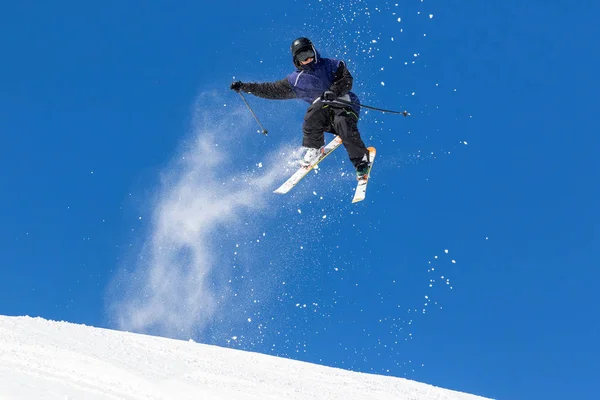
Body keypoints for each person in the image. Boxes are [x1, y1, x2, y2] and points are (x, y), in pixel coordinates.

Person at [230, 37, 372, 179]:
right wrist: (244, 87)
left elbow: (346, 80)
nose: (307, 59)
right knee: (313, 113)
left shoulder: (332, 64)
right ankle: (315, 148)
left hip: (345, 105)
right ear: (296, 60)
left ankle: (361, 162)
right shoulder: (296, 80)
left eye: (309, 54)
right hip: (324, 115)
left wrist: (334, 91)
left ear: (314, 52)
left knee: (343, 125)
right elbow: (270, 89)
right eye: (302, 57)